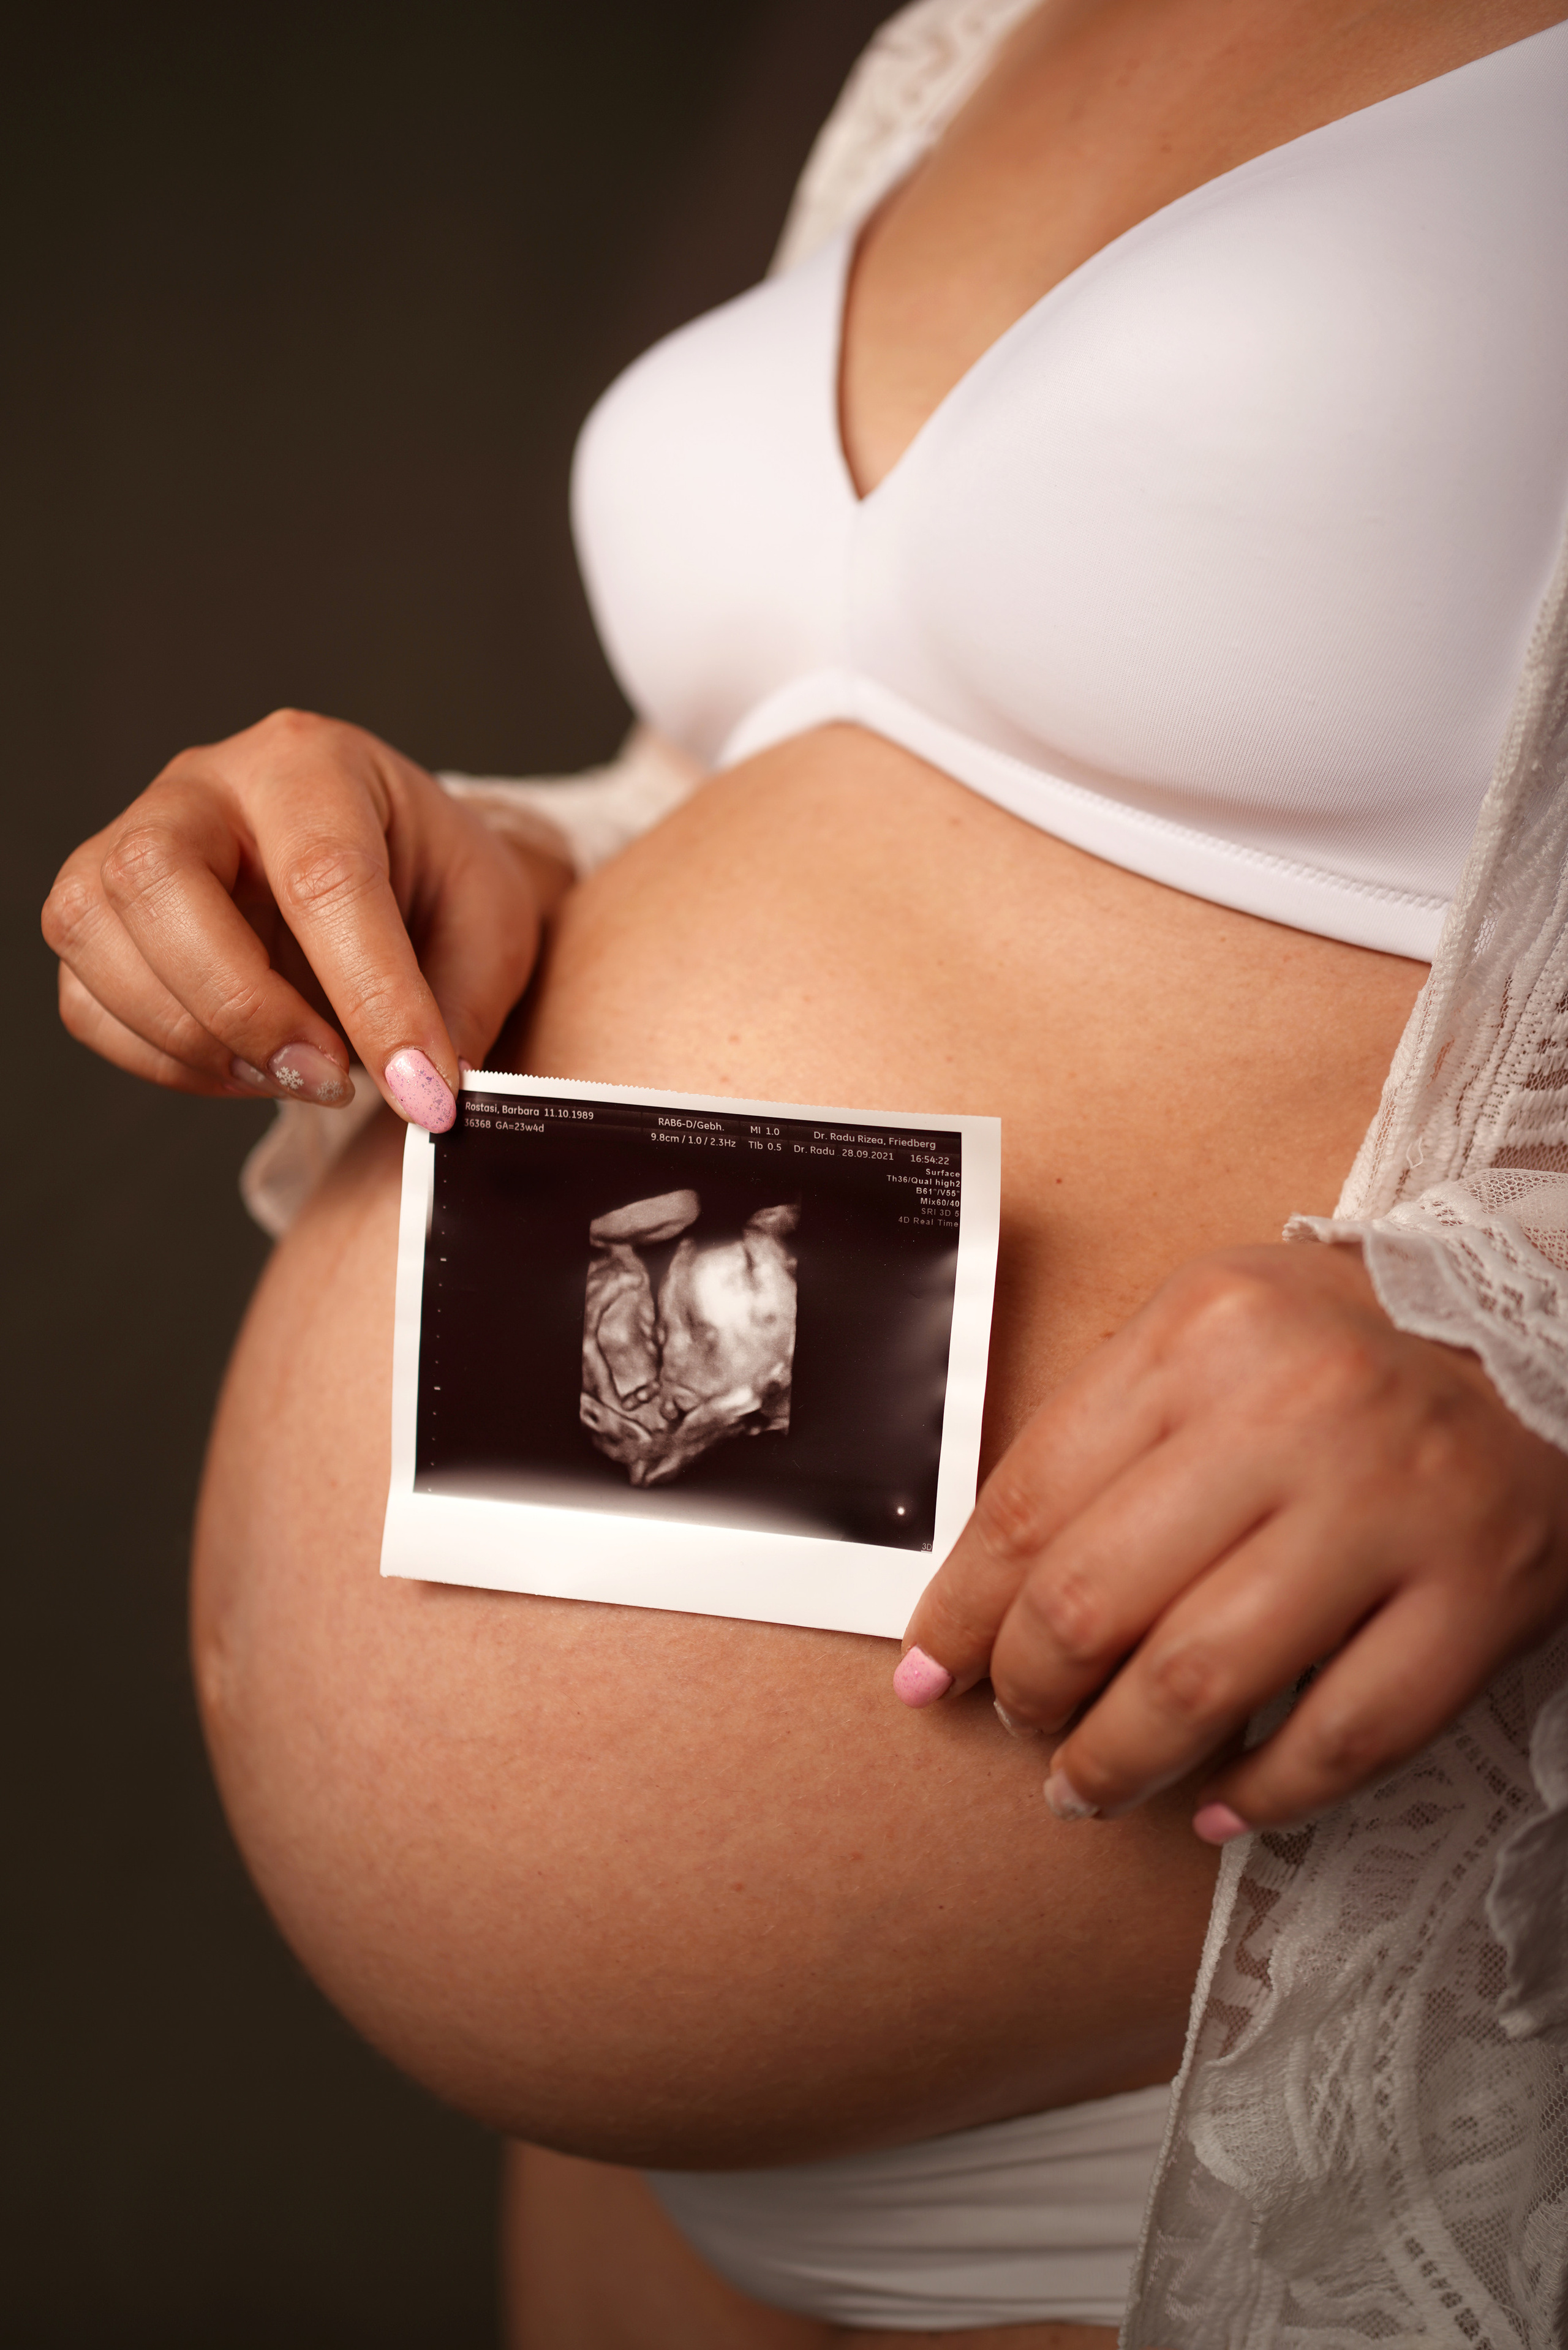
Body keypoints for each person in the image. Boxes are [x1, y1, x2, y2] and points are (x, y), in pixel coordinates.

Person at [40, 1, 1568, 2341]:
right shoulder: (983, 29)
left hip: (1243, 2033)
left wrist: (1539, 1362)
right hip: (646, 2192)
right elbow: (876, 755)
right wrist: (484, 863)